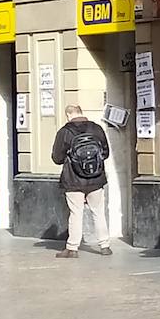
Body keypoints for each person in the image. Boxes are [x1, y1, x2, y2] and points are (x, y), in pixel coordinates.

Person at [50, 105, 111, 259]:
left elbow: (57, 158)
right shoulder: (97, 129)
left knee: (76, 213)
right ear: (81, 112)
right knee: (98, 212)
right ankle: (104, 245)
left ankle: (72, 248)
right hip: (96, 178)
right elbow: (106, 153)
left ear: (68, 115)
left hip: (73, 180)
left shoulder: (64, 132)